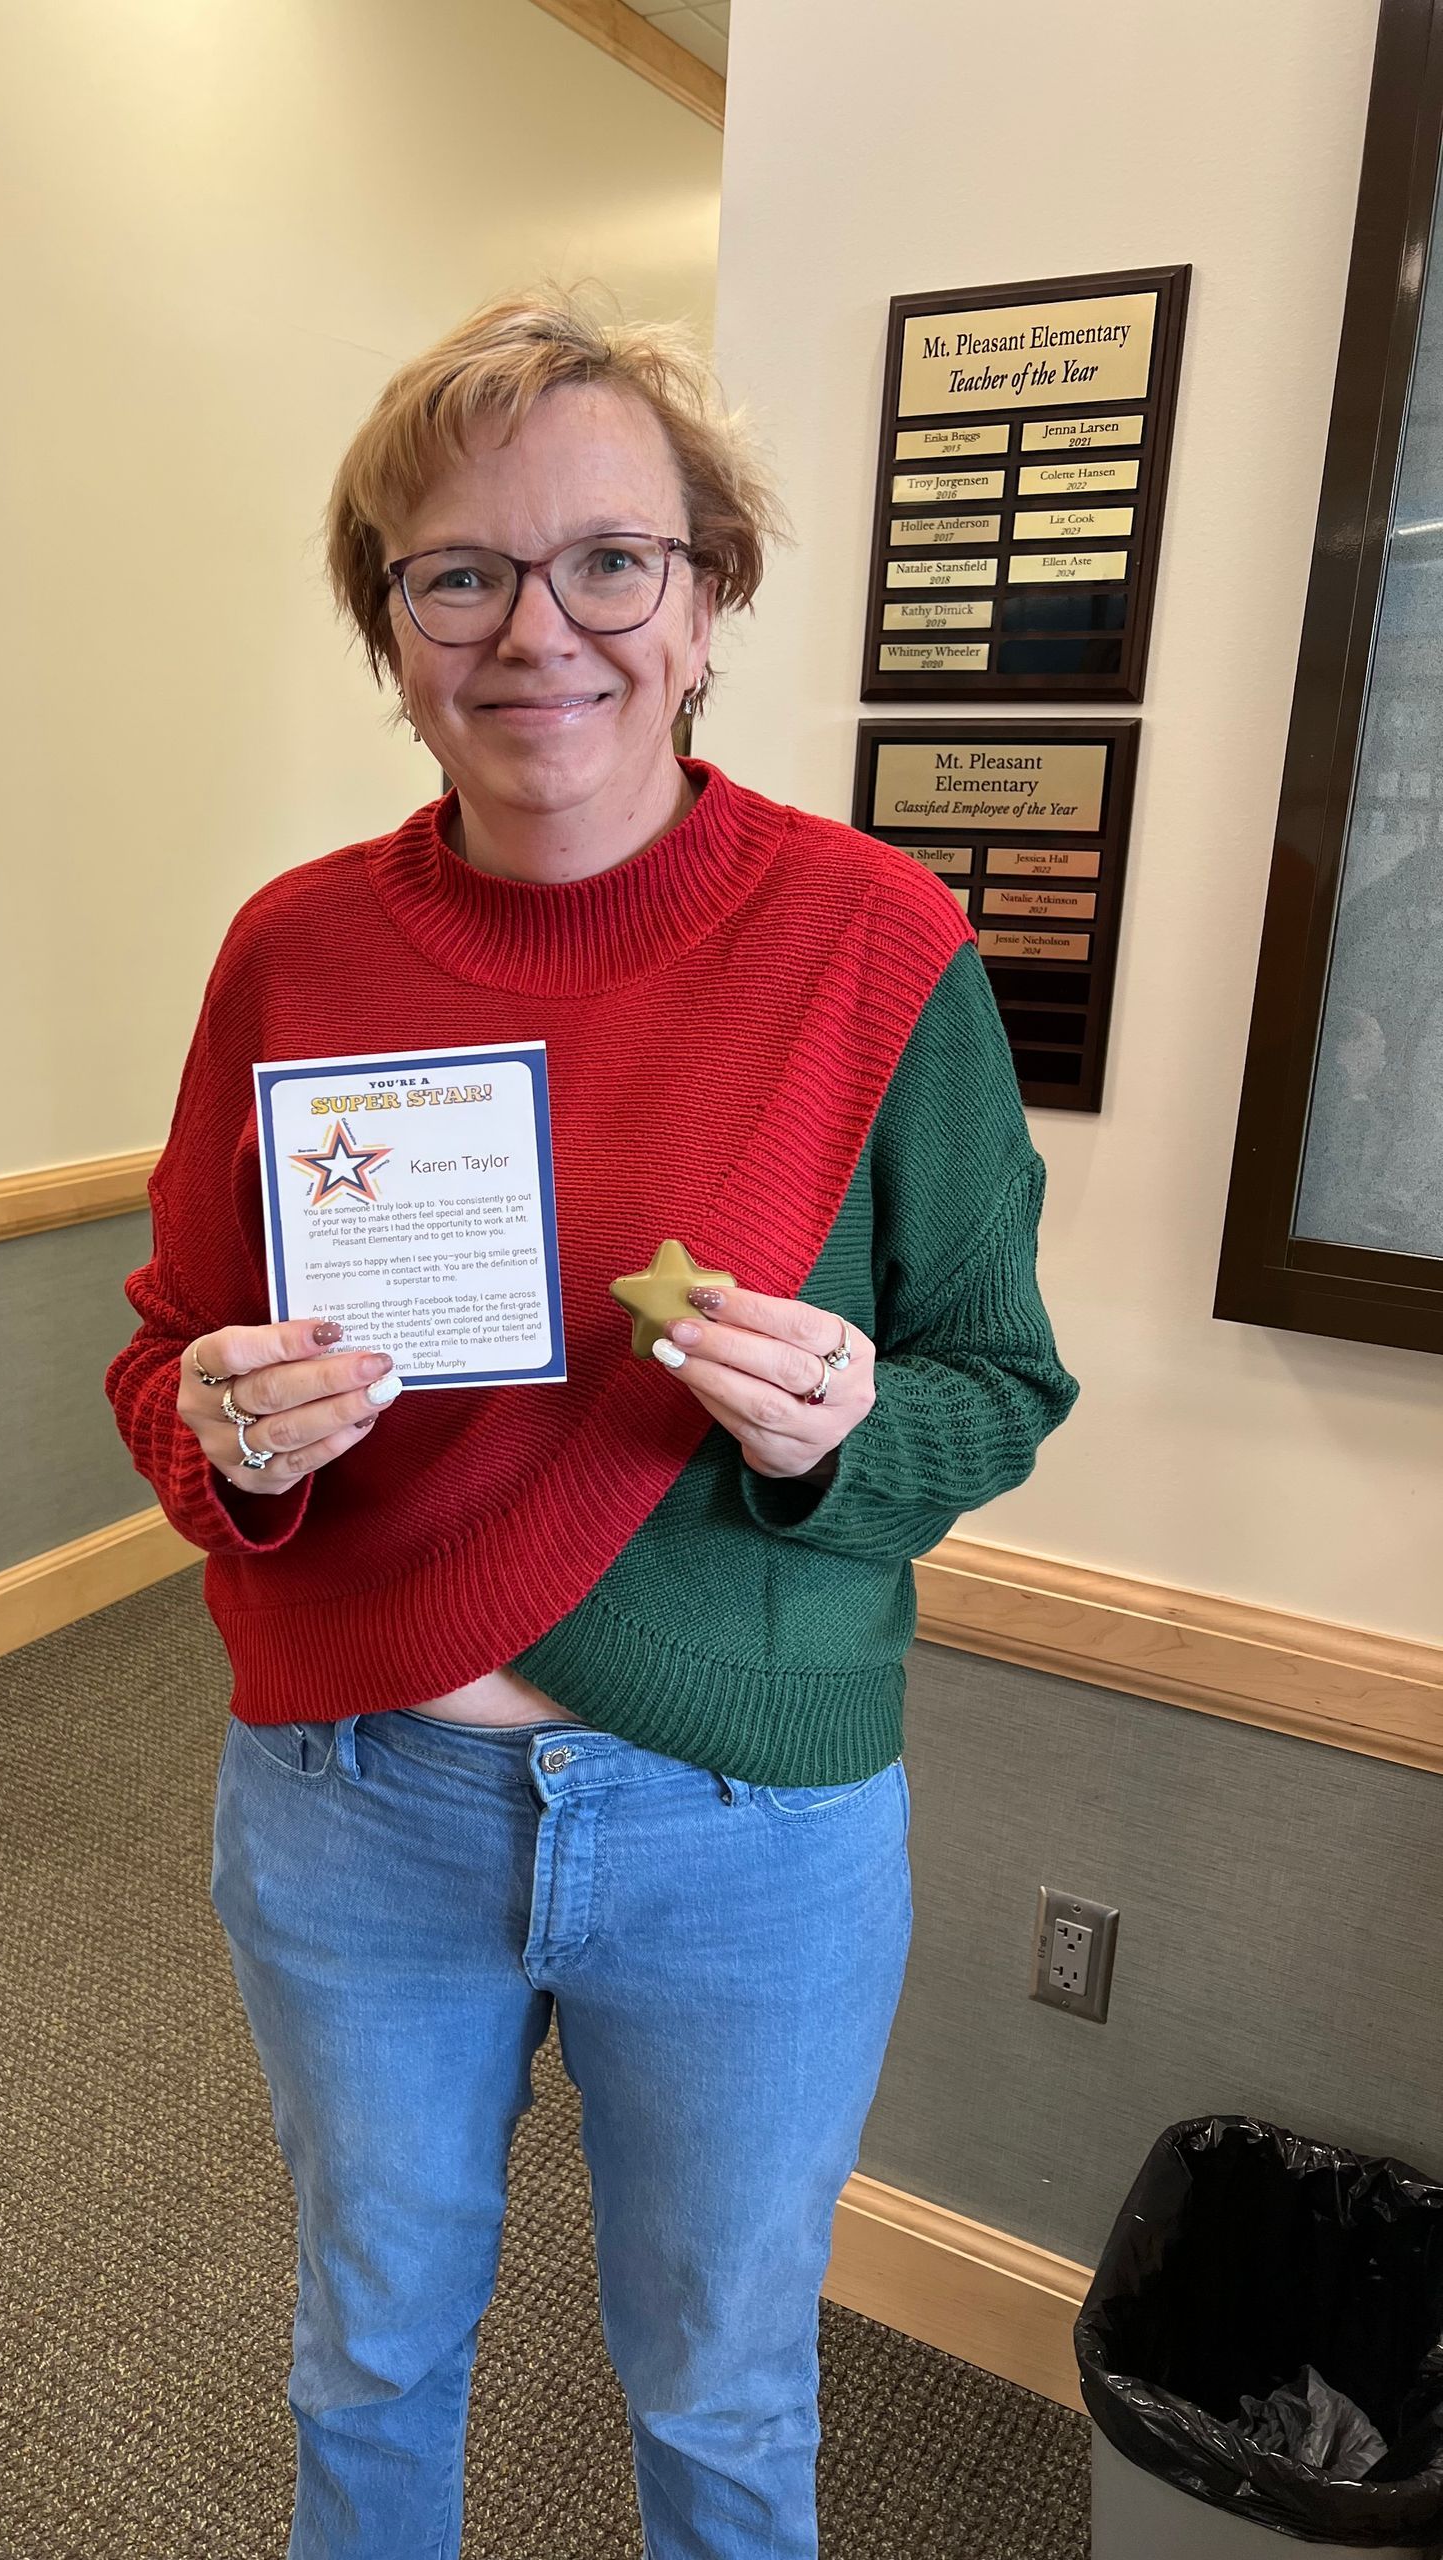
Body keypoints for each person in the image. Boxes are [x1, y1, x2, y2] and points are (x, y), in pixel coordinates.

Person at [106, 288, 1079, 2560]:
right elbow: (167, 1343)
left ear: (710, 595)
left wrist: (846, 1429)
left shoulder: (875, 945)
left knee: (725, 2390)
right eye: (458, 572)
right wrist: (224, 1434)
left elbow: (998, 1378)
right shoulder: (294, 952)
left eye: (609, 561)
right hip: (357, 1797)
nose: (537, 627)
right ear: (395, 627)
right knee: (369, 2347)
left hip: (747, 1817)